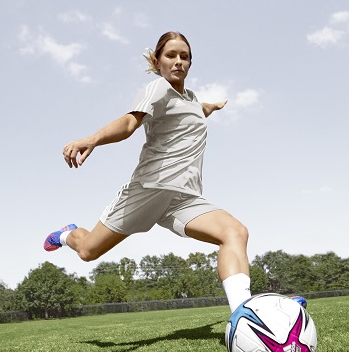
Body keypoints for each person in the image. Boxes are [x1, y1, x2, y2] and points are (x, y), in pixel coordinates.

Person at [44, 31, 252, 312]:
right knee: (88, 251)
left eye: (184, 56)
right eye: (171, 55)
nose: (178, 61)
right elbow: (130, 123)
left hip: (184, 199)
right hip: (149, 189)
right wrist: (92, 138)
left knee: (235, 232)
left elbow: (196, 109)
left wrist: (211, 106)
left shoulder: (191, 99)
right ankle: (67, 234)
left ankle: (245, 315)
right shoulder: (158, 88)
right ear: (157, 61)